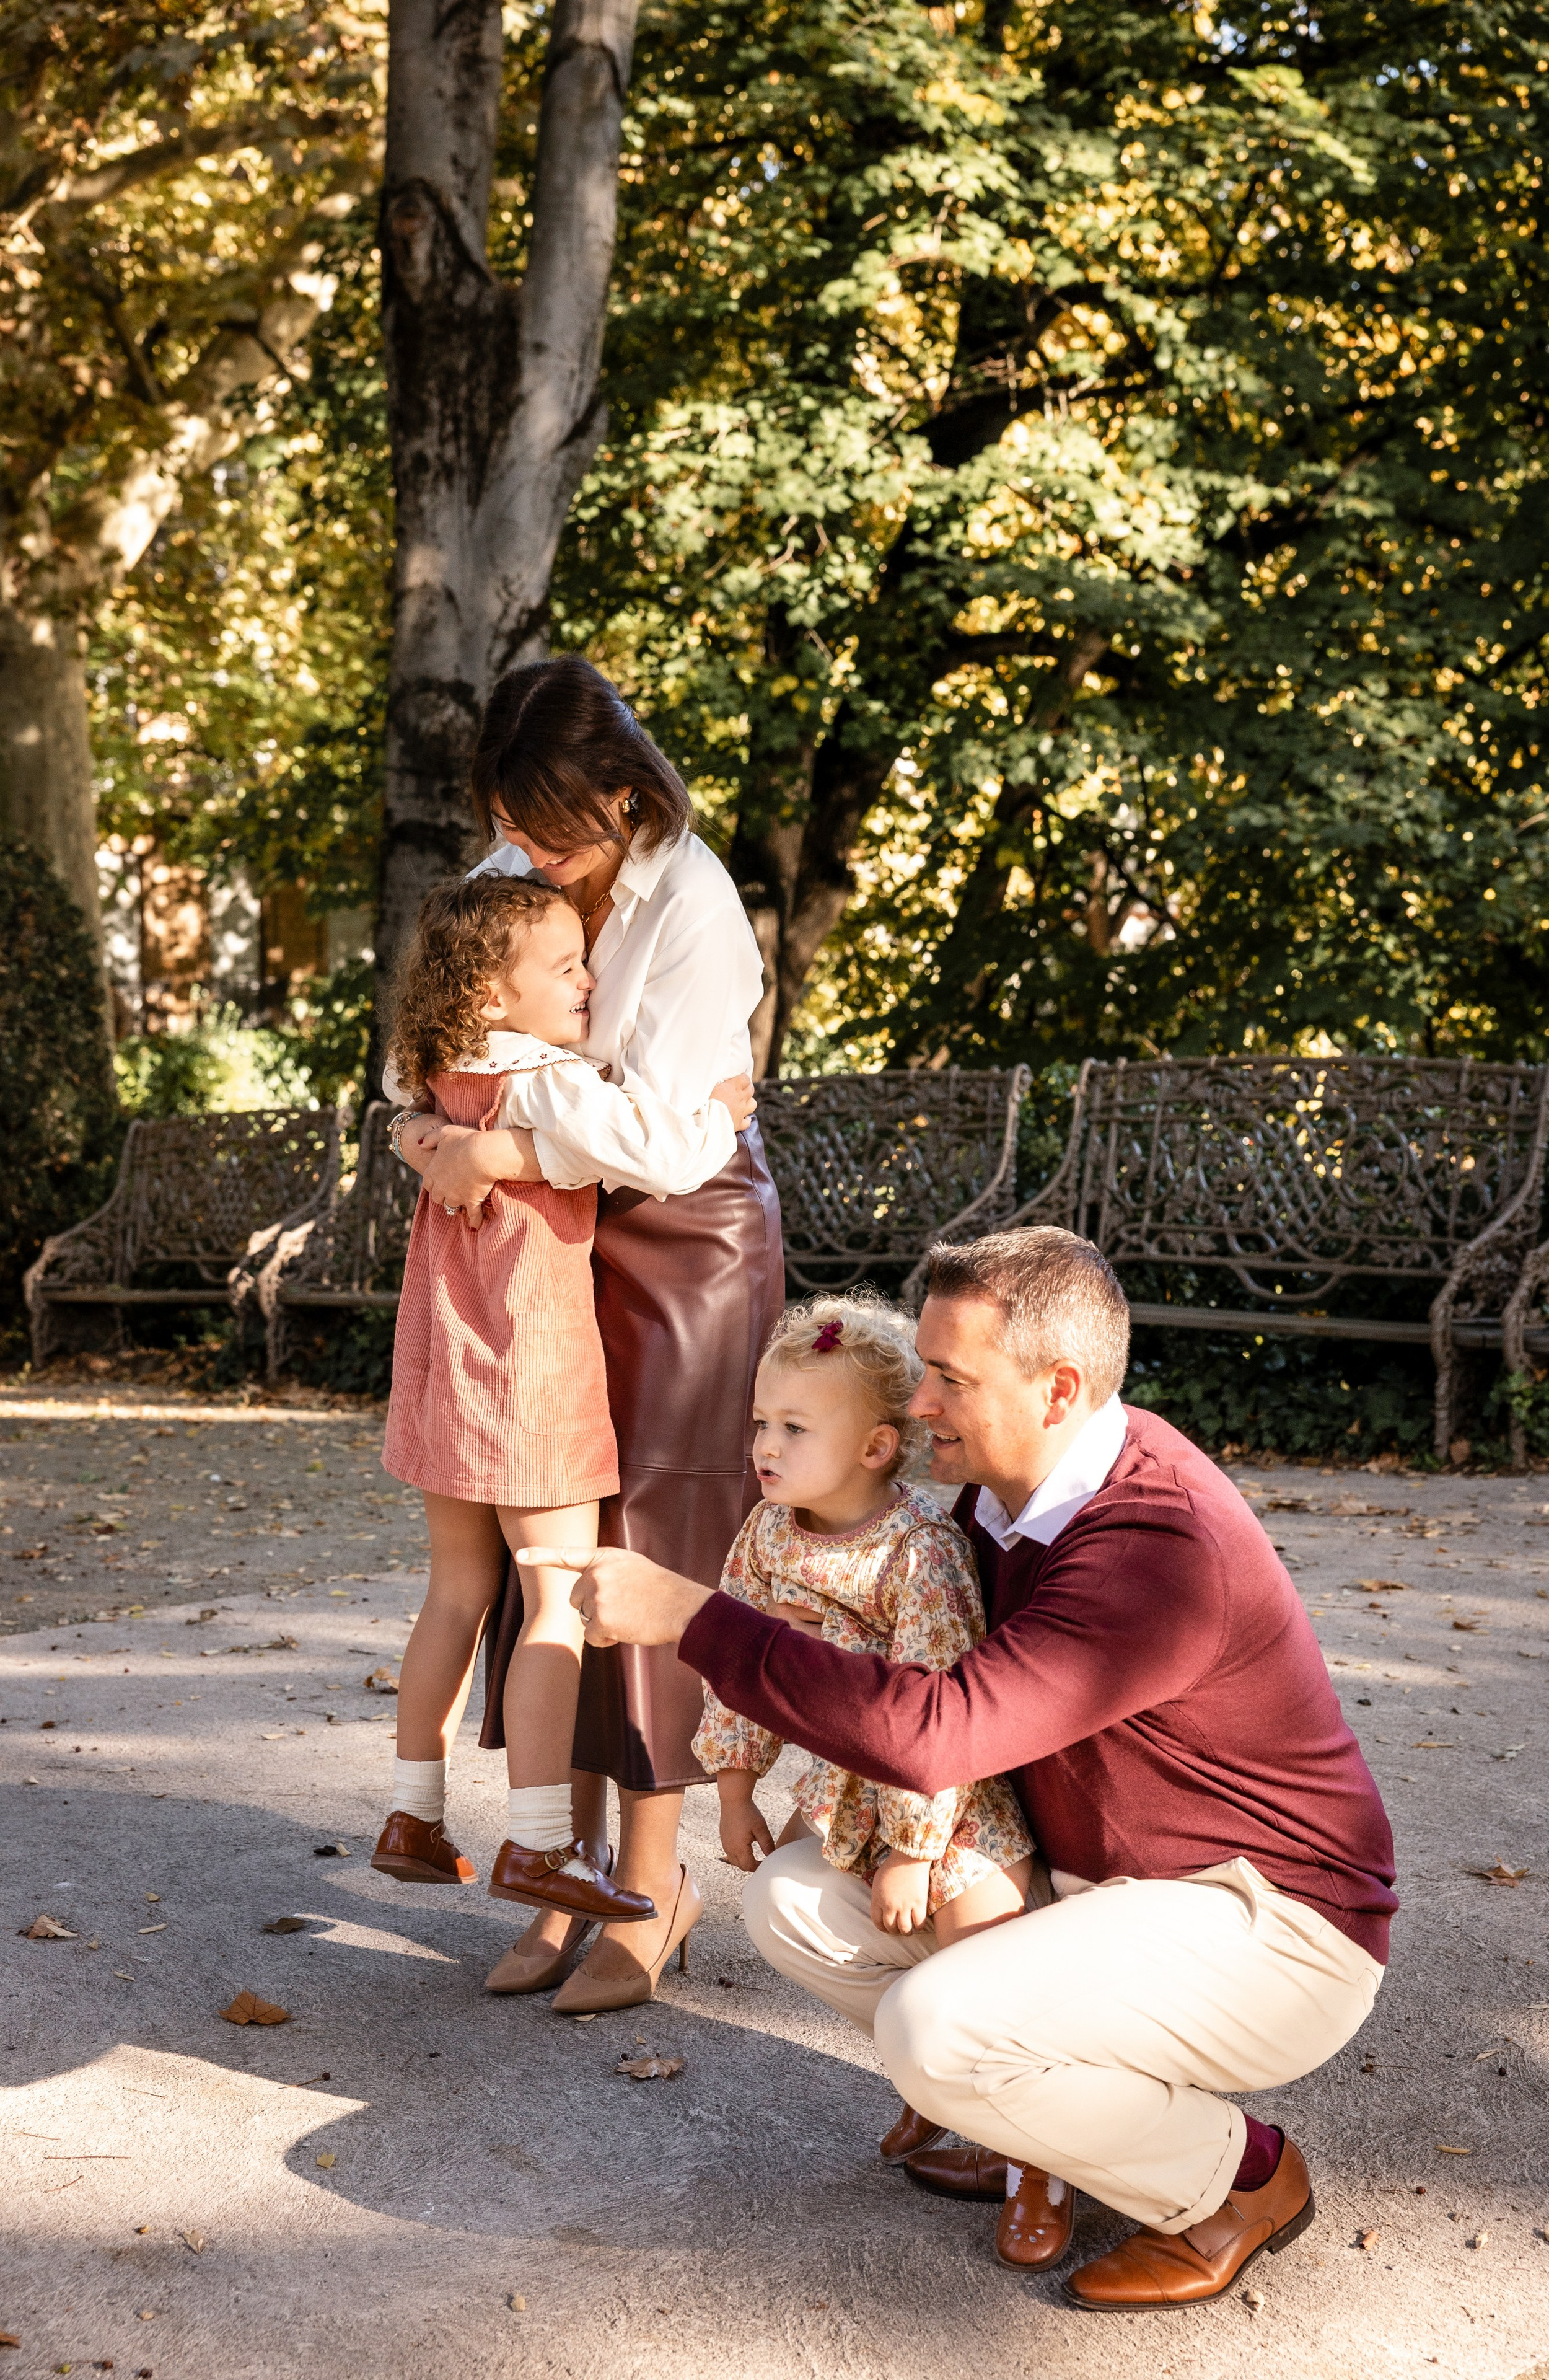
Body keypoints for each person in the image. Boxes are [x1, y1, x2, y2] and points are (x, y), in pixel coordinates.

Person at [551, 1227, 1398, 2309]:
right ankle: (1042, 2124)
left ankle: (1236, 2180)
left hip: (1266, 1920)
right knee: (793, 1901)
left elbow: (938, 1731)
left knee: (933, 2029)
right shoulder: (987, 1508)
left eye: (949, 1379)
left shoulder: (1155, 1545)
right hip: (1106, 1886)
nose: (918, 1407)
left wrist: (692, 1618)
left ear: (1059, 1391)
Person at [396, 654, 784, 2012]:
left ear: (623, 797)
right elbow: (447, 1031)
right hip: (547, 1249)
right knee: (536, 1553)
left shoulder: (698, 908)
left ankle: (653, 1884)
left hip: (686, 1254)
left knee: (645, 1557)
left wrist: (501, 1142)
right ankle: (551, 1863)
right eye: (515, 827)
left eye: (554, 833)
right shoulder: (524, 852)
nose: (533, 859)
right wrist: (437, 1129)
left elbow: (680, 1145)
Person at [373, 873, 746, 1926]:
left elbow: (404, 1116)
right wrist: (719, 1107)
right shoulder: (545, 1082)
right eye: (567, 966)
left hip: (443, 1365)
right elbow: (659, 1148)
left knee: (454, 1595)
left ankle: (412, 1813)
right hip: (528, 1370)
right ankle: (538, 1844)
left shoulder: (439, 1073)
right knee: (553, 1600)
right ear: (494, 993)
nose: (589, 980)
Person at [680, 1289, 1072, 2265]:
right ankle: (937, 2091)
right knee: (839, 1932)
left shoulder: (920, 1550)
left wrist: (911, 1854)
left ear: (876, 1450)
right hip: (848, 1796)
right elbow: (734, 1662)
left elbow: (935, 1715)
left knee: (976, 1954)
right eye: (761, 1423)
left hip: (951, 1803)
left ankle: (1042, 2166)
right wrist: (736, 1788)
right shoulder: (768, 1535)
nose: (765, 1446)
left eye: (795, 1428)